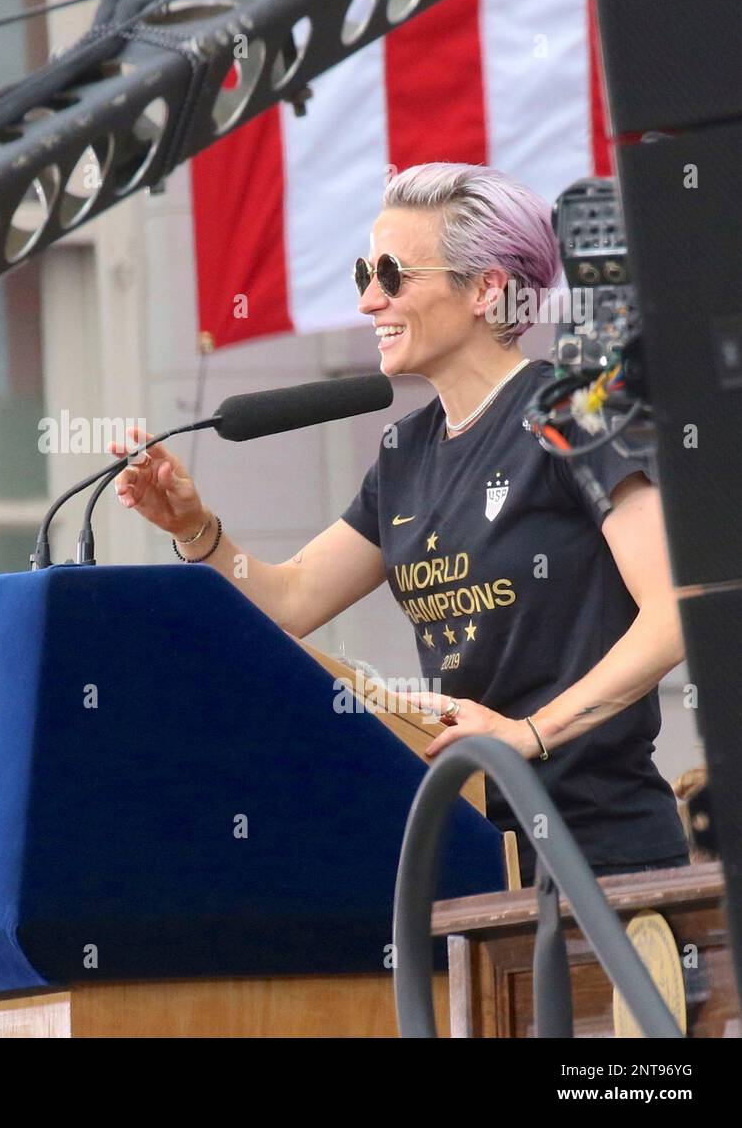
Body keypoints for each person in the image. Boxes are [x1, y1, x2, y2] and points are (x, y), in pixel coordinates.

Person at [111, 162, 690, 888]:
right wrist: (198, 530)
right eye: (364, 270)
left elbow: (675, 609)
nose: (367, 299)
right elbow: (291, 600)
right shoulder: (404, 452)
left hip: (604, 854)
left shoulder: (574, 413)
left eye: (392, 273)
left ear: (486, 288)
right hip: (476, 853)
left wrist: (526, 734)